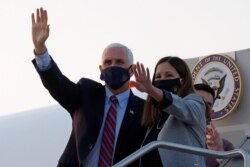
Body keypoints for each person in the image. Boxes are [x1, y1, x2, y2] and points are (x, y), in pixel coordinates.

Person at [31, 8, 147, 167]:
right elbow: (57, 84)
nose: (113, 66)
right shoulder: (86, 93)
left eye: (119, 62)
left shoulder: (143, 110)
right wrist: (40, 49)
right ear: (101, 70)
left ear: (132, 70)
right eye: (108, 63)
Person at [131, 56, 207, 167]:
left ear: (183, 80)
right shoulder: (155, 117)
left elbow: (186, 110)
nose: (162, 80)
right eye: (158, 76)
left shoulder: (195, 102)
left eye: (169, 75)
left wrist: (151, 90)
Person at [194, 83, 234, 167]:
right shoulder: (168, 138)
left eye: (208, 104)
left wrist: (219, 152)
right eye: (198, 102)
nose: (203, 107)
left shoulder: (225, 146)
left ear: (211, 111)